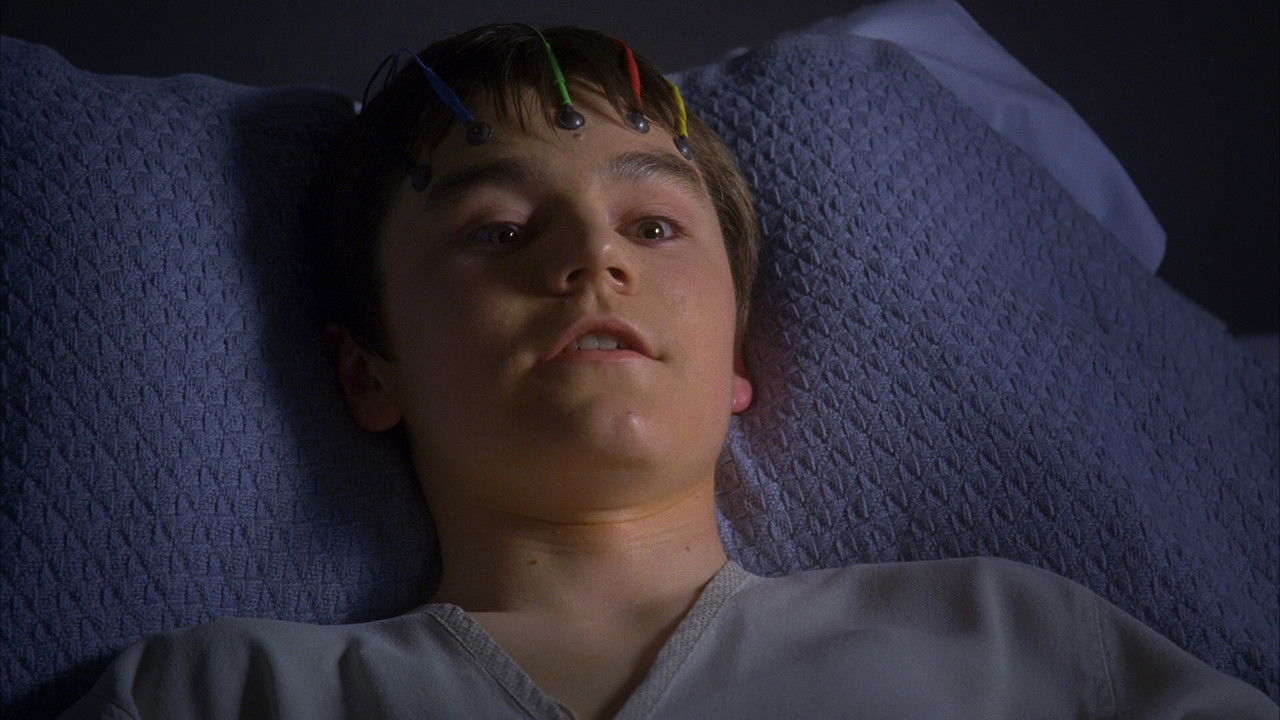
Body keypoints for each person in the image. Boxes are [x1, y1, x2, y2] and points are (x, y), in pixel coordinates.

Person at [62, 24, 1276, 720]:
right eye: (496, 229)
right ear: (368, 371)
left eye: (651, 226)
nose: (591, 258)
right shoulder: (216, 693)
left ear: (737, 360)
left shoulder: (1011, 644)